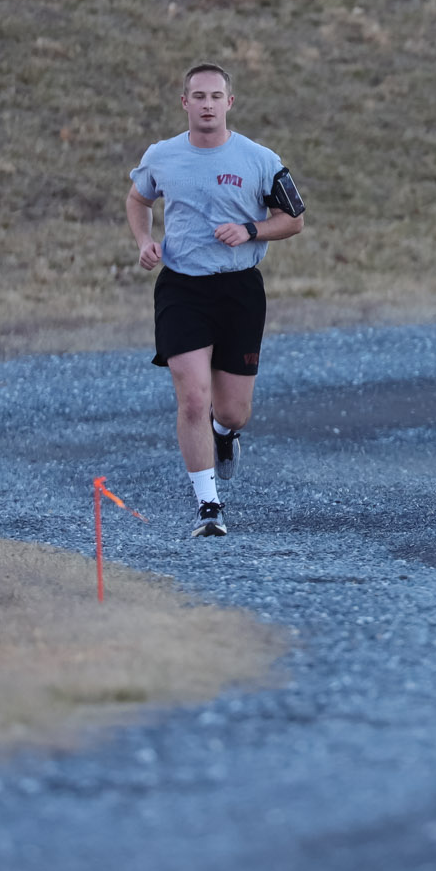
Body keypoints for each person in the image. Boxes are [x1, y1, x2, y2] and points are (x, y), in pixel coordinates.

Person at [126, 63, 304, 536]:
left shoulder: (260, 158)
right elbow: (137, 199)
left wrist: (250, 229)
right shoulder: (162, 156)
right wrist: (145, 242)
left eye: (216, 96)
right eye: (198, 96)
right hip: (182, 288)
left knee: (230, 410)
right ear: (185, 103)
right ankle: (209, 507)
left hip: (239, 289)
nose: (207, 105)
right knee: (192, 399)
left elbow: (294, 219)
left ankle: (224, 435)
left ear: (230, 103)